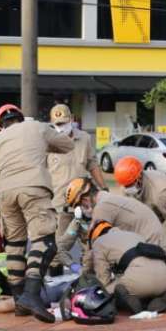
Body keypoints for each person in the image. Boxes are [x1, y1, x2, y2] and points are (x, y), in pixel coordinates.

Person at [0, 103, 74, 323]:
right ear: (21, 118)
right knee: (45, 240)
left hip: (5, 192)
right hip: (33, 186)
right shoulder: (37, 128)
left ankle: (19, 300)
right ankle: (32, 293)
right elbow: (67, 144)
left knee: (14, 245)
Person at [46, 103, 106, 274]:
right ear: (52, 123)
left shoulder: (84, 138)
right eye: (58, 125)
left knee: (90, 244)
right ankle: (55, 280)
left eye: (64, 123)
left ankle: (87, 277)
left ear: (71, 119)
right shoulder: (47, 143)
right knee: (58, 248)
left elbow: (92, 164)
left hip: (84, 202)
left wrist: (103, 187)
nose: (62, 127)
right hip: (60, 205)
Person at [80, 220, 166, 314]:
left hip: (140, 281)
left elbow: (103, 279)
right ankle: (160, 297)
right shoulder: (135, 235)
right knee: (140, 284)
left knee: (107, 292)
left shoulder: (99, 242)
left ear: (95, 237)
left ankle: (129, 302)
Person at [64, 176, 166, 250]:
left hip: (154, 249)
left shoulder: (102, 208)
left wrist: (84, 273)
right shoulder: (108, 197)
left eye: (79, 205)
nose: (82, 208)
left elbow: (95, 248)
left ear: (85, 199)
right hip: (156, 244)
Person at [113, 156, 166, 257]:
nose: (126, 189)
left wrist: (155, 238)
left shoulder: (162, 192)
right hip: (162, 211)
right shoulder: (128, 184)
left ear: (138, 178)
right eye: (125, 185)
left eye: (129, 185)